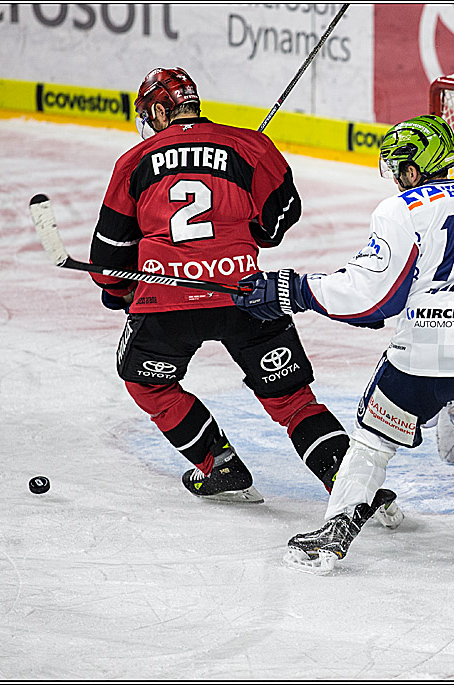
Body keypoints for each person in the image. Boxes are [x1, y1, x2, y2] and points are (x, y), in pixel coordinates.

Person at [233, 114, 454, 572]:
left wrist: (292, 288)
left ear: (411, 169)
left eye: (396, 167)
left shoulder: (403, 208)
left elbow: (370, 298)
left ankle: (335, 532)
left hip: (421, 357)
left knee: (372, 443)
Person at [89, 67, 352, 504]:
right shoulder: (248, 145)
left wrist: (116, 292)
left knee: (147, 383)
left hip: (165, 300)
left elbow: (109, 255)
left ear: (158, 110)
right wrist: (254, 233)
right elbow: (284, 212)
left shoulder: (134, 162)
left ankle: (220, 464)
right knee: (291, 397)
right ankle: (347, 482)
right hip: (245, 293)